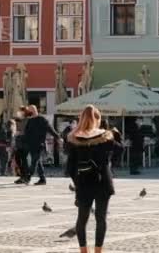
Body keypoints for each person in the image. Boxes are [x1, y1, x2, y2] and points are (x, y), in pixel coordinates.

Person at [66, 105, 123, 253]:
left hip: (83, 182)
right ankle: (98, 250)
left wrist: (77, 183)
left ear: (81, 119)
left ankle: (83, 250)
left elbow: (70, 167)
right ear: (97, 119)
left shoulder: (73, 138)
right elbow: (119, 150)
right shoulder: (106, 136)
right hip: (102, 180)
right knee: (101, 217)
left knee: (82, 218)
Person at [22, 105, 60, 185]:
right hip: (31, 145)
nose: (29, 112)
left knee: (34, 161)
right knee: (37, 162)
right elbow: (26, 133)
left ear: (34, 110)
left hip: (39, 144)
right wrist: (24, 142)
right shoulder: (30, 120)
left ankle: (28, 177)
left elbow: (50, 128)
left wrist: (58, 137)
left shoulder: (42, 119)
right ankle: (42, 179)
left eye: (30, 110)